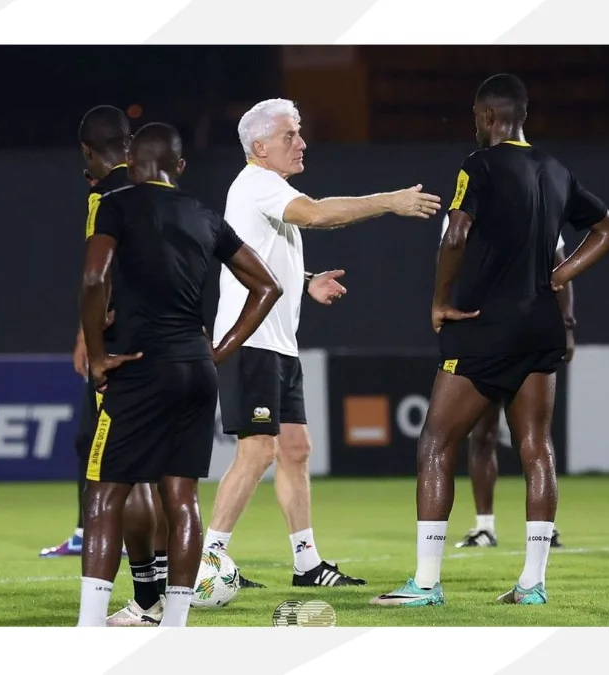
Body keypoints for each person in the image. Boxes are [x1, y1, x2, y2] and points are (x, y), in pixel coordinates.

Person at [372, 74, 609, 608]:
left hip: (483, 327)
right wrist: (561, 276)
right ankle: (532, 584)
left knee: (436, 444)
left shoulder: (478, 165)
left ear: (486, 116)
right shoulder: (557, 169)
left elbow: (456, 233)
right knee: (537, 448)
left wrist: (440, 301)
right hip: (540, 329)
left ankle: (426, 583)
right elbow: (607, 229)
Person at [204, 98, 443, 589]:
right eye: (290, 135)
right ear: (260, 147)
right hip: (251, 341)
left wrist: (307, 280)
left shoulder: (268, 188)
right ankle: (207, 560)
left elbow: (264, 254)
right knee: (258, 451)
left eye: (299, 132)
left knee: (295, 448)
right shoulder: (257, 184)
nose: (302, 142)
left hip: (278, 345)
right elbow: (314, 215)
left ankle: (307, 564)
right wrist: (389, 201)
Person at [76, 122, 283, 628]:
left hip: (139, 367)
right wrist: (221, 350)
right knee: (182, 496)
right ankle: (174, 627)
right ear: (180, 166)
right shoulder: (205, 215)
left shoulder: (115, 206)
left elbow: (94, 278)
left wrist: (98, 355)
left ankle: (88, 627)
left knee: (104, 492)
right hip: (195, 369)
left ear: (132, 163)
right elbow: (268, 286)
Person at [40, 105, 178, 627]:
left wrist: (90, 338)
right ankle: (166, 593)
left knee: (114, 474)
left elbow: (98, 275)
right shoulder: (160, 189)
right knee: (167, 478)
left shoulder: (105, 198)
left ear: (86, 152)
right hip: (176, 342)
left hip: (125, 351)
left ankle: (141, 597)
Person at [457, 233, 570, 550]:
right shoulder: (461, 214)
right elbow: (452, 258)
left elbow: (561, 266)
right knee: (484, 433)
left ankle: (545, 529)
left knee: (533, 437)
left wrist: (568, 324)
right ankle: (485, 526)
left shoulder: (542, 209)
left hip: (525, 334)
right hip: (485, 335)